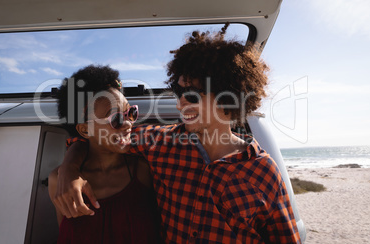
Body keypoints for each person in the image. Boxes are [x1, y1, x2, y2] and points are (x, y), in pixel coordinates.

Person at [54, 24, 302, 243]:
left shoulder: (264, 173)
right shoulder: (160, 144)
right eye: (178, 92)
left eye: (192, 95)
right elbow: (97, 137)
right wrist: (69, 171)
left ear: (229, 98)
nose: (180, 104)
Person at [48, 65, 162, 243]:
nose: (128, 124)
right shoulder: (59, 180)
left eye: (130, 113)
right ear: (85, 130)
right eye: (115, 119)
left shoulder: (142, 170)